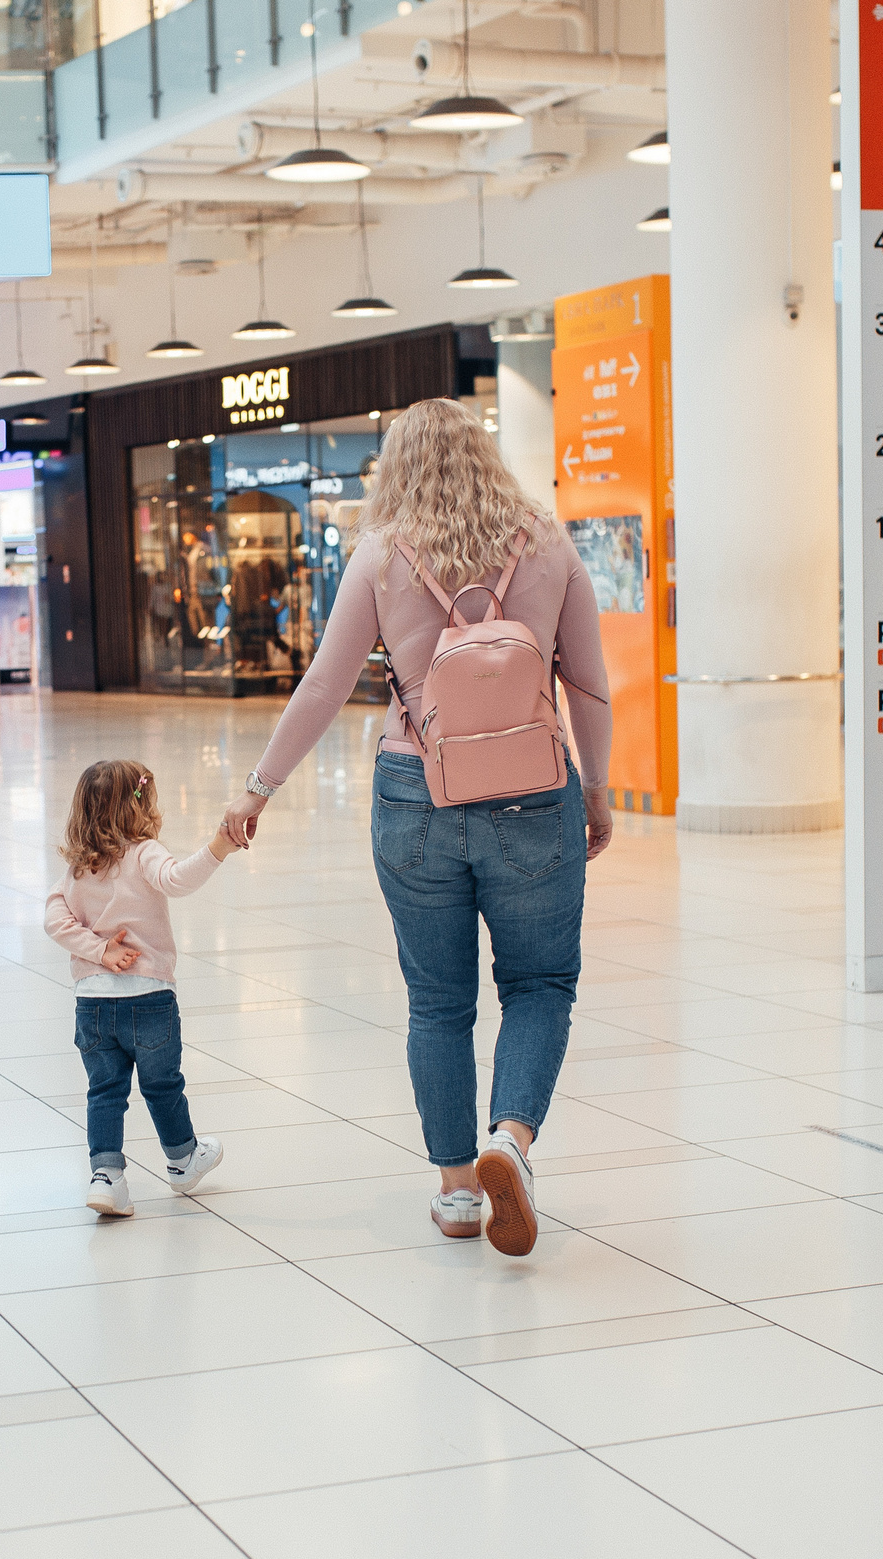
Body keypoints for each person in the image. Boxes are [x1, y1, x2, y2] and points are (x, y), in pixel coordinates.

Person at [221, 397, 614, 1259]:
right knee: (540, 984)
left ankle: (459, 1193)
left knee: (438, 1001)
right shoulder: (547, 543)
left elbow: (323, 688)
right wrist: (599, 792)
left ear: (397, 465)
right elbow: (588, 686)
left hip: (415, 791)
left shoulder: (381, 554)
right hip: (533, 792)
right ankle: (510, 1138)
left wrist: (258, 789)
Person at [43, 760, 242, 1219]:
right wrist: (218, 847)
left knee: (105, 1091)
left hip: (92, 1003)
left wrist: (98, 951)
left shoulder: (76, 868)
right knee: (162, 1084)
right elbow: (177, 880)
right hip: (149, 998)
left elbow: (54, 920)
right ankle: (183, 1158)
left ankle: (106, 1177)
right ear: (140, 804)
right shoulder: (144, 851)